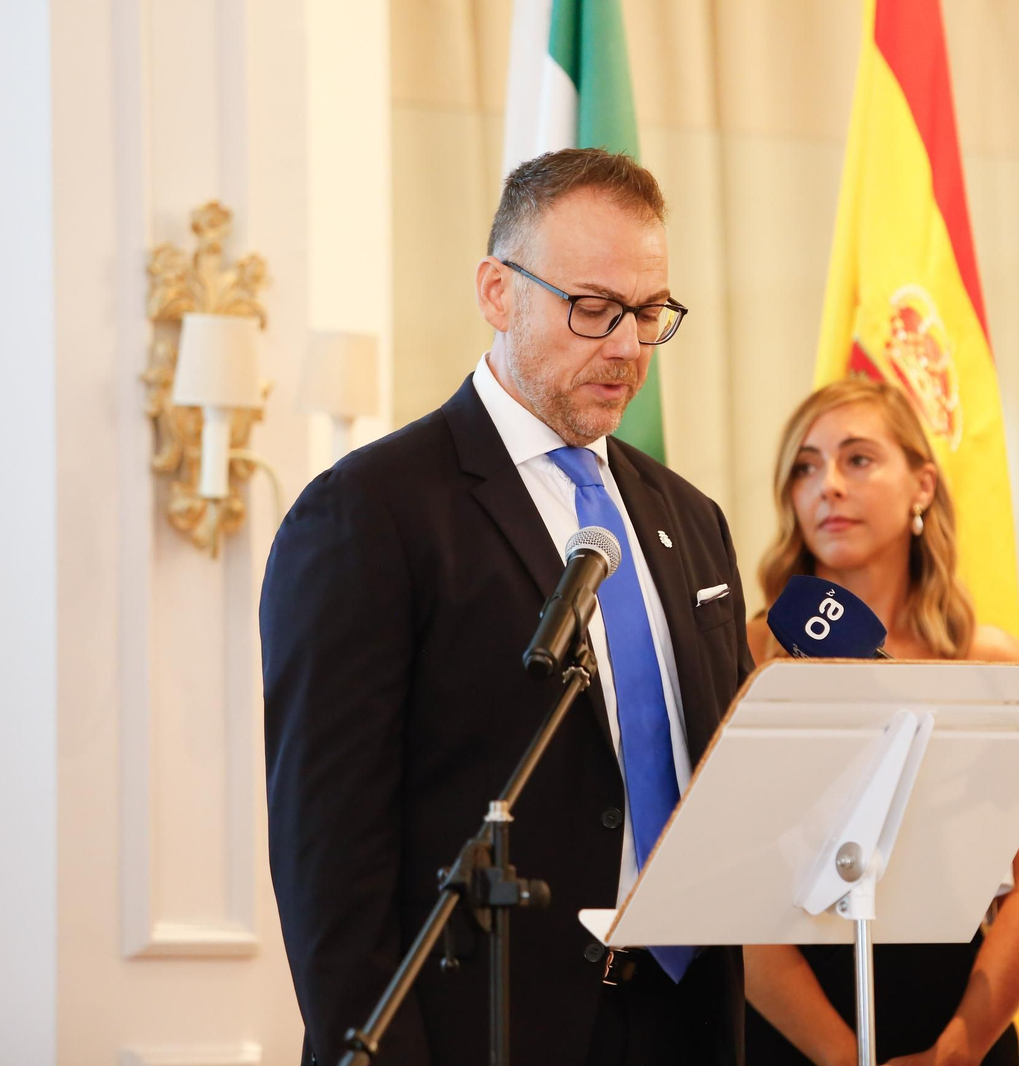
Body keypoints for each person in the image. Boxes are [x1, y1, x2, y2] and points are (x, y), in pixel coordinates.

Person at [262, 148, 753, 1066]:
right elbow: (328, 853)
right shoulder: (370, 513)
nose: (626, 347)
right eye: (593, 308)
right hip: (477, 1030)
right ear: (497, 291)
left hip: (684, 1021)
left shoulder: (690, 518)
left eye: (649, 313)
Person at [742, 379, 1019, 1066]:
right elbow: (733, 897)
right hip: (794, 1026)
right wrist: (839, 1056)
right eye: (805, 466)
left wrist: (958, 1050)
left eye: (857, 459)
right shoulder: (751, 655)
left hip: (959, 1018)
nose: (828, 485)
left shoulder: (988, 662)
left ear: (922, 485)